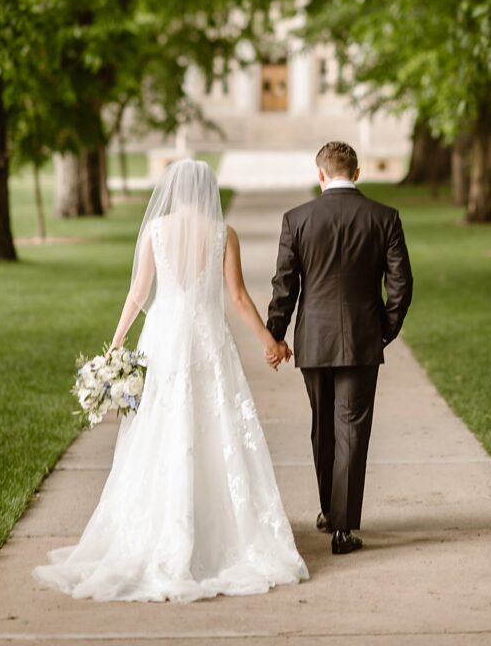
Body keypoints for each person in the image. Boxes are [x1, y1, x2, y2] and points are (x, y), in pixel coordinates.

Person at [32, 159, 308, 602]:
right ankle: (223, 534)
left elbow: (139, 291)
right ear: (207, 192)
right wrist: (269, 341)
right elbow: (236, 296)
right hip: (207, 338)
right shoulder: (223, 234)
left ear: (174, 192)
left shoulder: (156, 231)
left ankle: (163, 528)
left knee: (159, 431)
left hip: (163, 335)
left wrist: (116, 344)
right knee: (216, 430)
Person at [266, 141, 413, 555]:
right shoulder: (384, 217)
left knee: (324, 425)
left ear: (321, 175)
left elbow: (285, 285)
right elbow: (401, 285)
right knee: (352, 427)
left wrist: (276, 333)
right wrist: (383, 330)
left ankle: (331, 512)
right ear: (357, 173)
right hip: (362, 339)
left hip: (314, 338)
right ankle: (342, 528)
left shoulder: (297, 219)